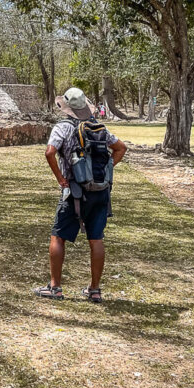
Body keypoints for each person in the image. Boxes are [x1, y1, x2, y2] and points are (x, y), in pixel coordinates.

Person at [35, 86, 127, 303]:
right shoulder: (99, 128)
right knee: (96, 239)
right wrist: (107, 169)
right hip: (99, 191)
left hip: (74, 191)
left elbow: (50, 152)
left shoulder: (63, 128)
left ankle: (55, 287)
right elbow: (120, 148)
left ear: (65, 107)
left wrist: (60, 178)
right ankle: (95, 289)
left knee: (58, 236)